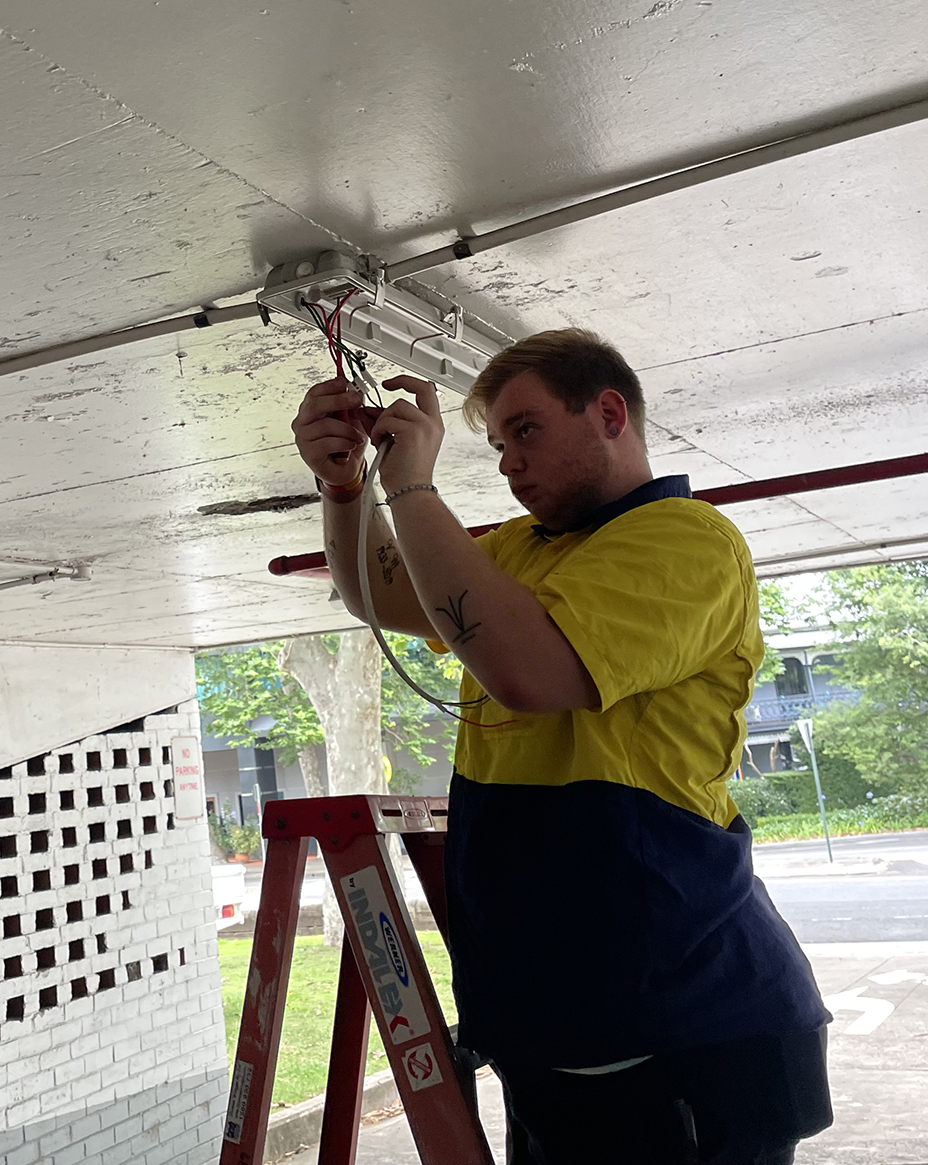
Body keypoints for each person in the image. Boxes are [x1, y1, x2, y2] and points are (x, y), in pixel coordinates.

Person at [290, 327, 832, 1165]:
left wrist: (413, 490)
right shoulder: (521, 550)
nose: (508, 462)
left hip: (682, 1030)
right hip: (561, 1030)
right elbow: (381, 594)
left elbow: (531, 672)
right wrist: (344, 488)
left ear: (609, 412)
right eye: (500, 444)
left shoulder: (686, 539)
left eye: (526, 431)